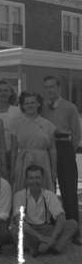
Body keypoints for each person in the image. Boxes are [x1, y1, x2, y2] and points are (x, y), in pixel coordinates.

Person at [41, 75, 82, 245]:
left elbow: (77, 133)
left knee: (69, 190)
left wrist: (67, 151)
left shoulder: (69, 107)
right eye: (47, 87)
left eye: (52, 86)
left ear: (58, 88)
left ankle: (75, 231)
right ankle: (52, 229)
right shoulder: (42, 107)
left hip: (64, 147)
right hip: (47, 148)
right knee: (48, 188)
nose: (50, 90)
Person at [11, 165, 78, 257]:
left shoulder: (49, 195)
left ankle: (40, 247)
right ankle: (54, 246)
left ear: (42, 179)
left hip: (46, 229)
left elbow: (61, 218)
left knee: (72, 224)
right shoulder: (19, 195)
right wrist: (41, 238)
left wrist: (50, 239)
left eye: (37, 178)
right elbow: (19, 221)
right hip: (29, 230)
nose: (34, 181)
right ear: (26, 180)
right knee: (14, 230)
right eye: (31, 178)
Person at [10, 92, 56, 193]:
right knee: (22, 192)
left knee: (44, 190)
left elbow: (52, 150)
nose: (30, 105)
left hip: (42, 161)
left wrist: (53, 170)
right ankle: (22, 209)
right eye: (27, 103)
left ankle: (44, 209)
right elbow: (13, 149)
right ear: (22, 105)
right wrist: (13, 169)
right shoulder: (16, 124)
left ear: (38, 104)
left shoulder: (48, 125)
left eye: (33, 102)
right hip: (23, 161)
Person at [0, 80, 21, 179]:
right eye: (0, 91)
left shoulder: (17, 111)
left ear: (11, 93)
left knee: (12, 178)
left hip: (13, 150)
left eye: (6, 90)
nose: (3, 93)